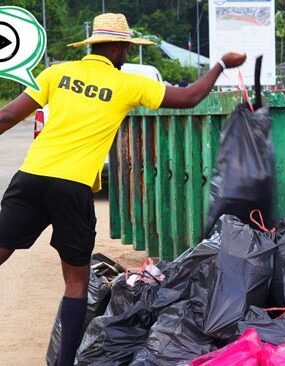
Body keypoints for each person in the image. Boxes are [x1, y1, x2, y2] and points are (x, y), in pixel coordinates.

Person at [0, 13, 245, 366]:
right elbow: (190, 97)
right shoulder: (128, 85)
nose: (127, 54)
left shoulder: (56, 73)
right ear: (115, 47)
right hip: (72, 186)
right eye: (127, 48)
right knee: (75, 282)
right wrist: (221, 63)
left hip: (31, 177)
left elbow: (7, 116)